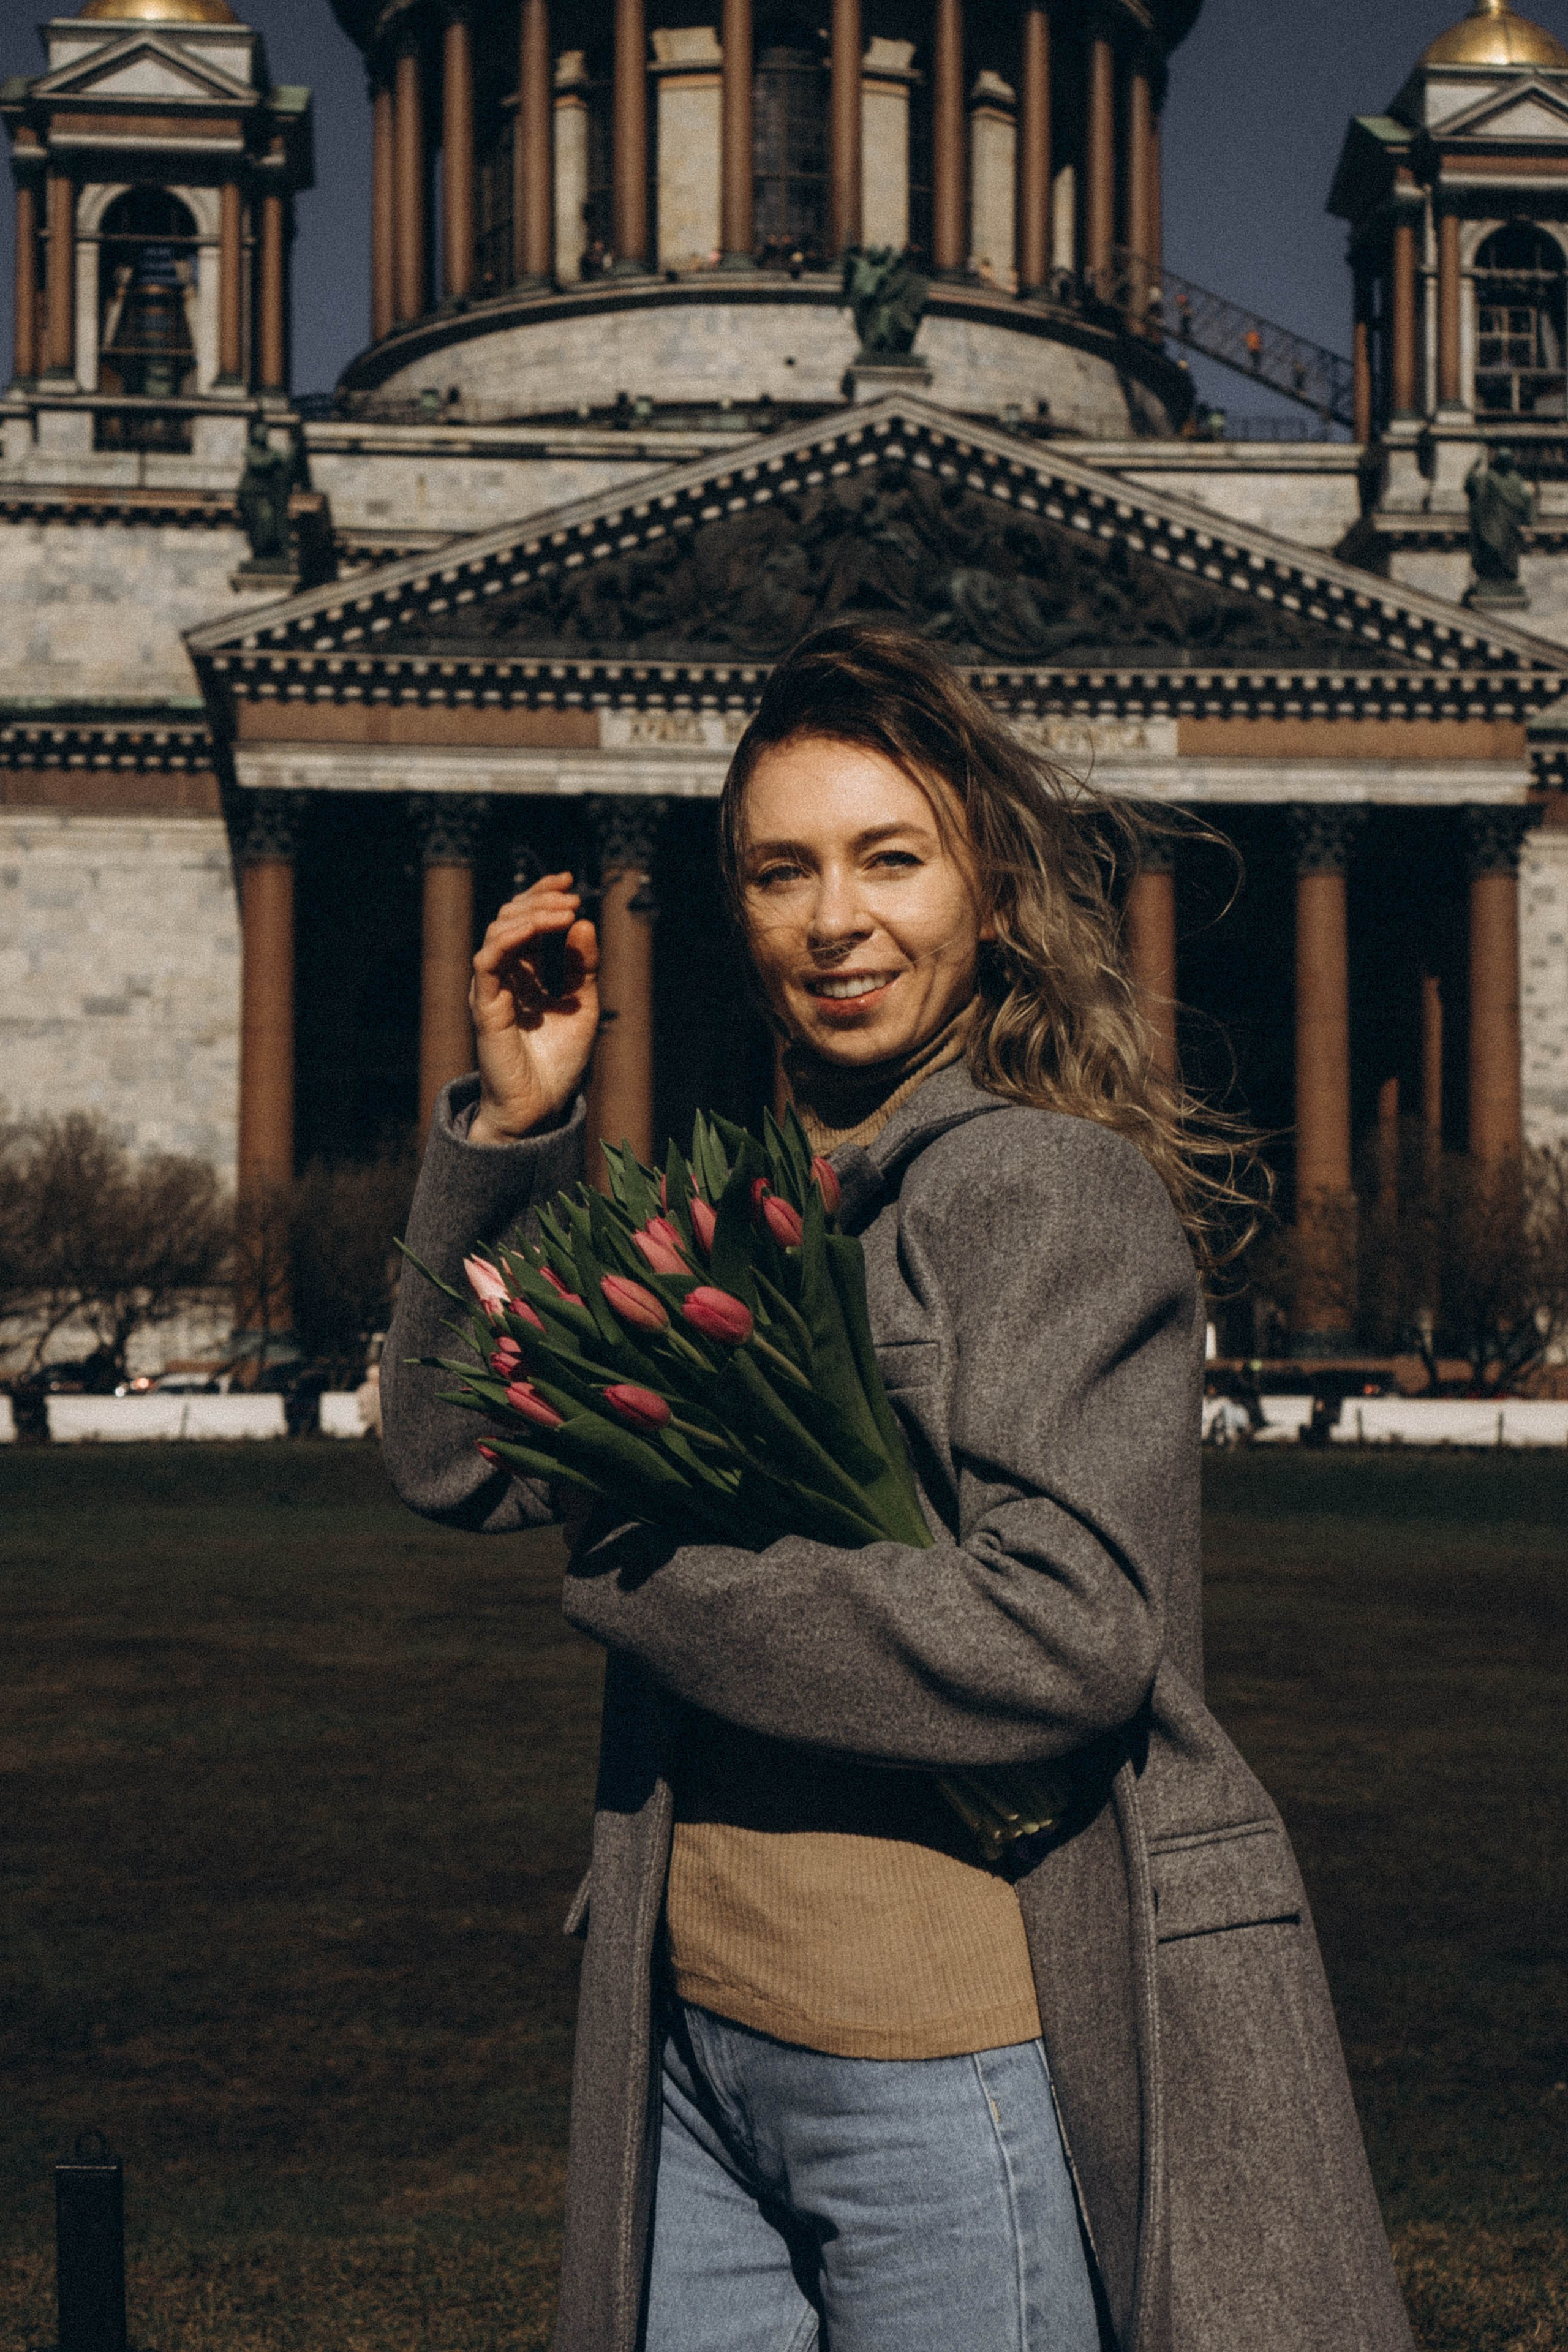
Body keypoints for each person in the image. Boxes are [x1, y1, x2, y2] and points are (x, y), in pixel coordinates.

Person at [382, 623, 1414, 2352]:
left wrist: (655, 1580)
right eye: (781, 871)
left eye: (889, 858)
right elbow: (447, 1456)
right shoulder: (753, 1197)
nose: (833, 919)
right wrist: (508, 1125)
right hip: (694, 2045)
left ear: (991, 892)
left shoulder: (1045, 1192)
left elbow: (1065, 1635)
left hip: (946, 2064)